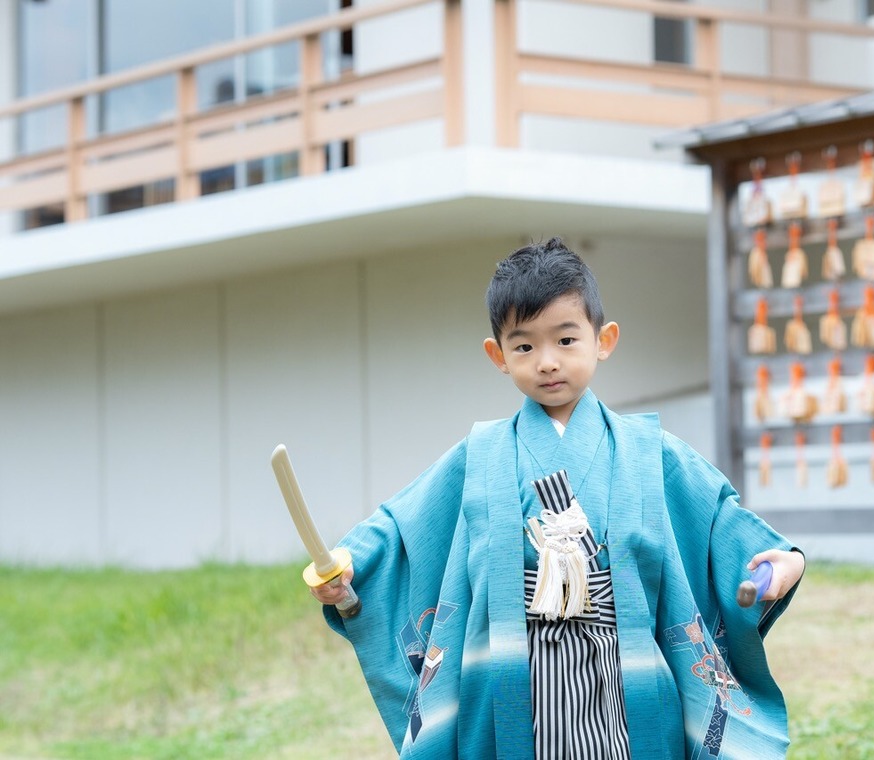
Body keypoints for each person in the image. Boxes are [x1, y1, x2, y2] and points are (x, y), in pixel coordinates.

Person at [311, 237, 805, 759]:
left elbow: (717, 521)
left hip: (627, 673)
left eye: (566, 340)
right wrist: (347, 565)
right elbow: (403, 526)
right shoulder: (480, 455)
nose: (547, 362)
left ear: (603, 339)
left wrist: (781, 561)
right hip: (511, 679)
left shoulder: (647, 452)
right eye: (524, 347)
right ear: (497, 355)